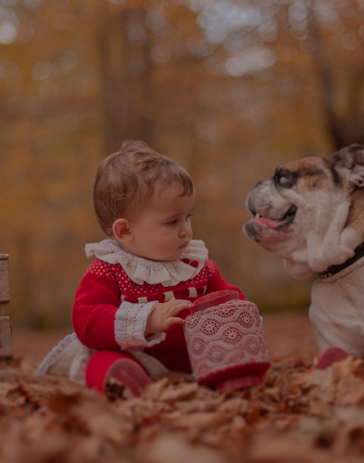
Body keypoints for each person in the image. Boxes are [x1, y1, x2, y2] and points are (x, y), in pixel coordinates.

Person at [36, 140, 244, 396]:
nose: (185, 230)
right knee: (99, 362)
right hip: (136, 358)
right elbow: (87, 320)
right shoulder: (110, 270)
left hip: (197, 358)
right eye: (172, 222)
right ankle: (125, 383)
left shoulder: (197, 266)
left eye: (188, 216)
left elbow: (228, 299)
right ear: (125, 230)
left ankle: (231, 377)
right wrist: (146, 320)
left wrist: (236, 309)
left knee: (229, 351)